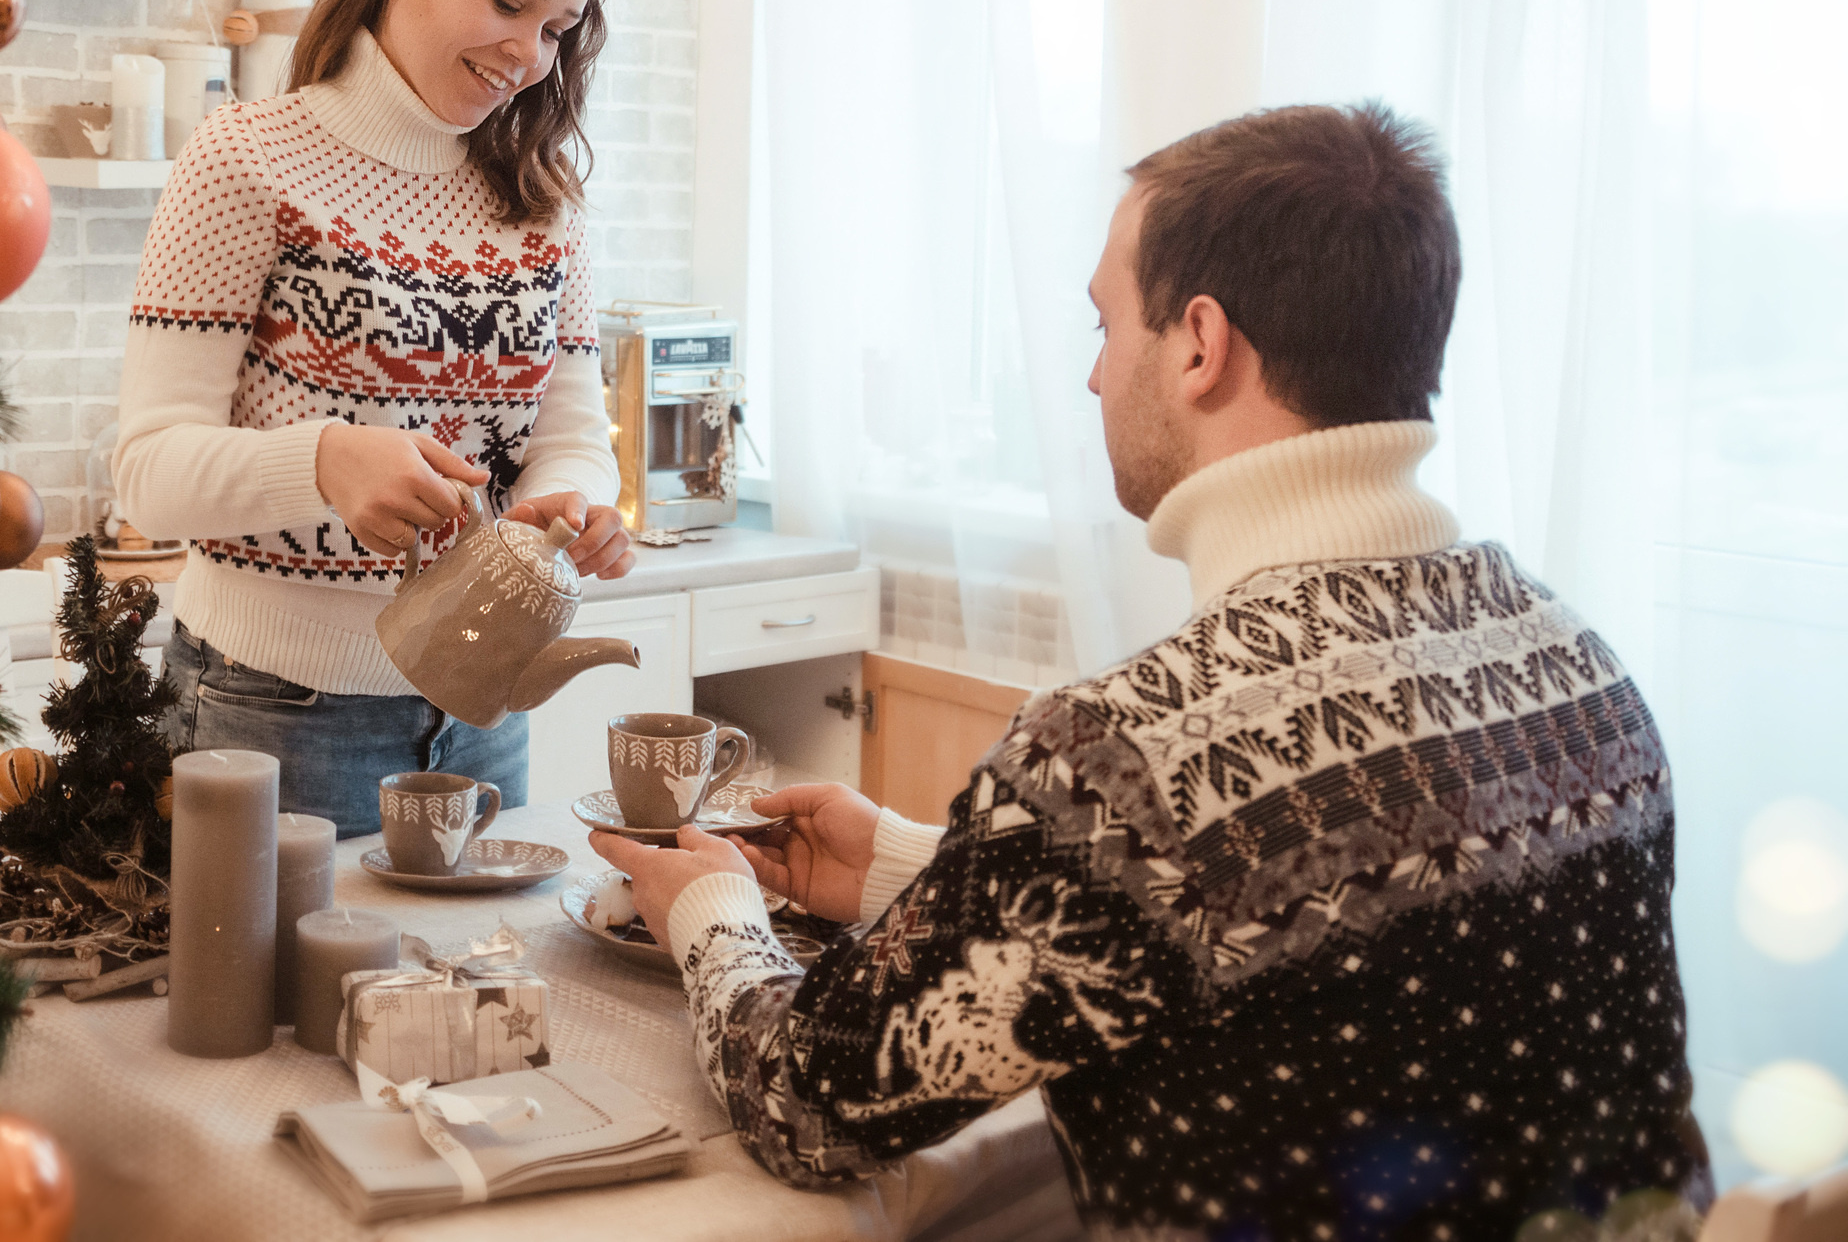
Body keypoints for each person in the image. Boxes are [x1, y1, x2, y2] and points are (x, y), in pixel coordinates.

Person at [594, 105, 1708, 1238]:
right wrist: (913, 872)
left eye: (1105, 323)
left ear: (1199, 344)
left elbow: (803, 1103)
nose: (1092, 378)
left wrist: (713, 913)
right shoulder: (1581, 670)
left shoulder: (1130, 761)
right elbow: (1279, 933)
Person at [116, 0, 632, 836]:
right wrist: (325, 461)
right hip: (271, 709)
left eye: (557, 28)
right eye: (507, 1)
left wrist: (573, 507)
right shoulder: (248, 158)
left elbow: (571, 433)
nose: (527, 55)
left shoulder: (542, 200)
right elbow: (147, 471)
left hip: (485, 708)